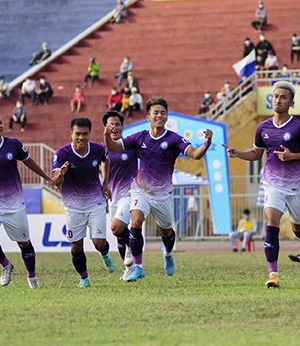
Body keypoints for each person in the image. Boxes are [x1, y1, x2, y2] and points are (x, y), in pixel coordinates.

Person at [223, 81, 300, 288]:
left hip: (296, 186)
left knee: (299, 228)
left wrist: (293, 156)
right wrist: (238, 153)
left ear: (291, 102)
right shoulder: (263, 127)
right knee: (271, 222)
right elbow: (257, 153)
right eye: (275, 96)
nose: (278, 100)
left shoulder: (299, 127)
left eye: (283, 97)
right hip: (272, 184)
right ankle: (273, 274)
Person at [104, 97, 213, 281]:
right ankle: (137, 267)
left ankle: (168, 253)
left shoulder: (173, 139)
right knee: (136, 221)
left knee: (167, 232)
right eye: (156, 112)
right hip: (141, 191)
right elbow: (113, 147)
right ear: (148, 117)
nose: (160, 115)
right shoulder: (139, 137)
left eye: (163, 112)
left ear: (166, 116)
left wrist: (207, 143)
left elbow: (195, 154)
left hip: (162, 196)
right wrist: (107, 134)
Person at [0, 110, 53, 288]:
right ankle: (6, 265)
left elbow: (29, 161)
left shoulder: (13, 144)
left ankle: (32, 276)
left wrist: (46, 178)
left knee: (24, 242)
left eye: (0, 122)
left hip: (15, 204)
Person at [52, 117, 116, 288]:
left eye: (85, 134)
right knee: (77, 246)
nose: (81, 137)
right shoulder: (62, 153)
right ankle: (84, 278)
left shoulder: (97, 150)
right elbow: (55, 181)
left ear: (89, 134)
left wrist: (105, 182)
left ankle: (104, 253)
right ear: (71, 134)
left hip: (95, 202)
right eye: (77, 134)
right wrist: (61, 174)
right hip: (73, 206)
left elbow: (106, 160)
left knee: (99, 242)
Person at [101, 111, 138, 280]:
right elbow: (104, 166)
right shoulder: (103, 149)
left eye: (117, 124)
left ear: (122, 127)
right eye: (111, 124)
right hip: (113, 196)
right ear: (105, 127)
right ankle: (130, 268)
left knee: (116, 228)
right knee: (119, 235)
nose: (114, 127)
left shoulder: (130, 146)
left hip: (130, 193)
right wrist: (105, 183)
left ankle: (134, 250)